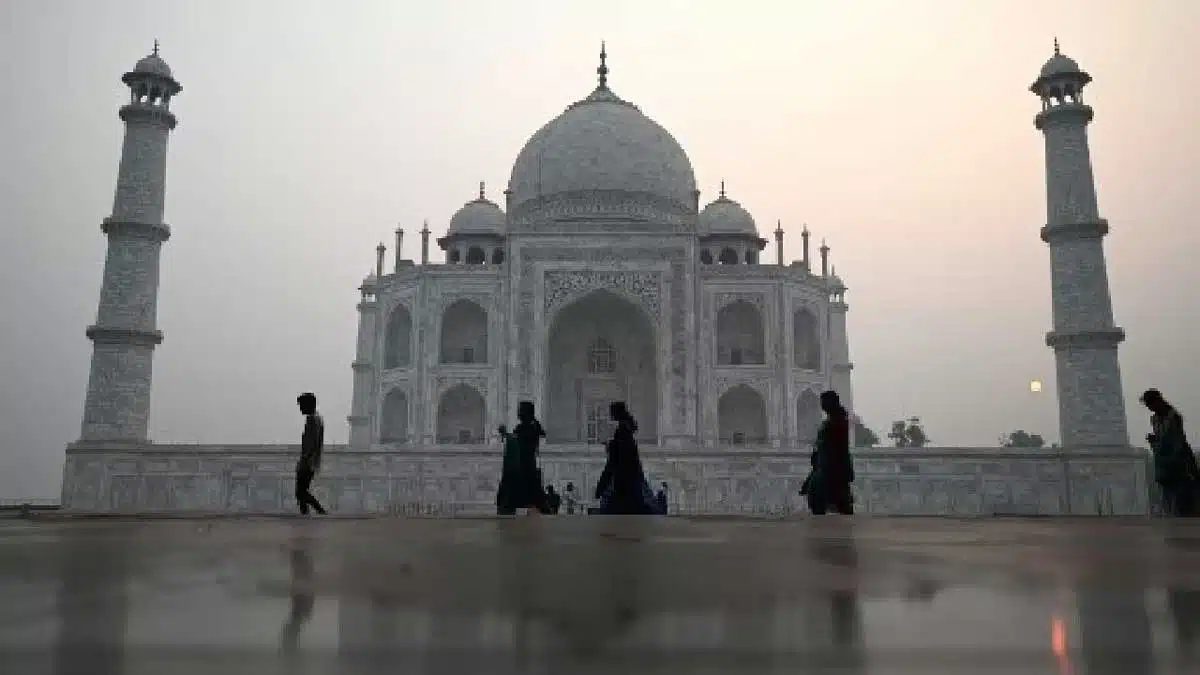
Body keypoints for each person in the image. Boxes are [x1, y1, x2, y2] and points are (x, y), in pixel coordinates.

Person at [1141, 389, 1200, 516]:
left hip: (1179, 462)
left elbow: (1178, 440)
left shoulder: (1173, 417)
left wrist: (1172, 457)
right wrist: (1154, 440)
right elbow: (1161, 439)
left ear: (1158, 401)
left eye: (1150, 404)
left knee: (1184, 500)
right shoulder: (1155, 419)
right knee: (1170, 500)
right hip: (1164, 463)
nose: (1150, 408)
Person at [594, 401, 656, 514]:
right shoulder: (626, 430)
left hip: (623, 482)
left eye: (612, 411)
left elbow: (615, 460)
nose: (610, 414)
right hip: (630, 481)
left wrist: (601, 486)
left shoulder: (622, 431)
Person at [802, 390, 854, 515]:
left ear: (832, 402)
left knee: (837, 501)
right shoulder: (833, 421)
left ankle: (835, 531)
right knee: (823, 499)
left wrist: (845, 468)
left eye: (824, 401)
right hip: (824, 466)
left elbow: (841, 448)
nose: (822, 404)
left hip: (832, 468)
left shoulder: (837, 422)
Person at [509, 401, 550, 515]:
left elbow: (515, 444)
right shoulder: (534, 428)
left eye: (520, 411)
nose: (518, 413)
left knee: (524, 494)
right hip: (530, 463)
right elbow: (542, 433)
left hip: (522, 465)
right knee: (535, 493)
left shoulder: (521, 428)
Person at [295, 392, 327, 516]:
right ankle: (306, 514)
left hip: (308, 461)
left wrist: (305, 459)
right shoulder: (317, 418)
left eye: (302, 405)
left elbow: (311, 442)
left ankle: (320, 511)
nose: (300, 408)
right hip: (312, 460)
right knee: (301, 492)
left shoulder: (312, 419)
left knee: (301, 492)